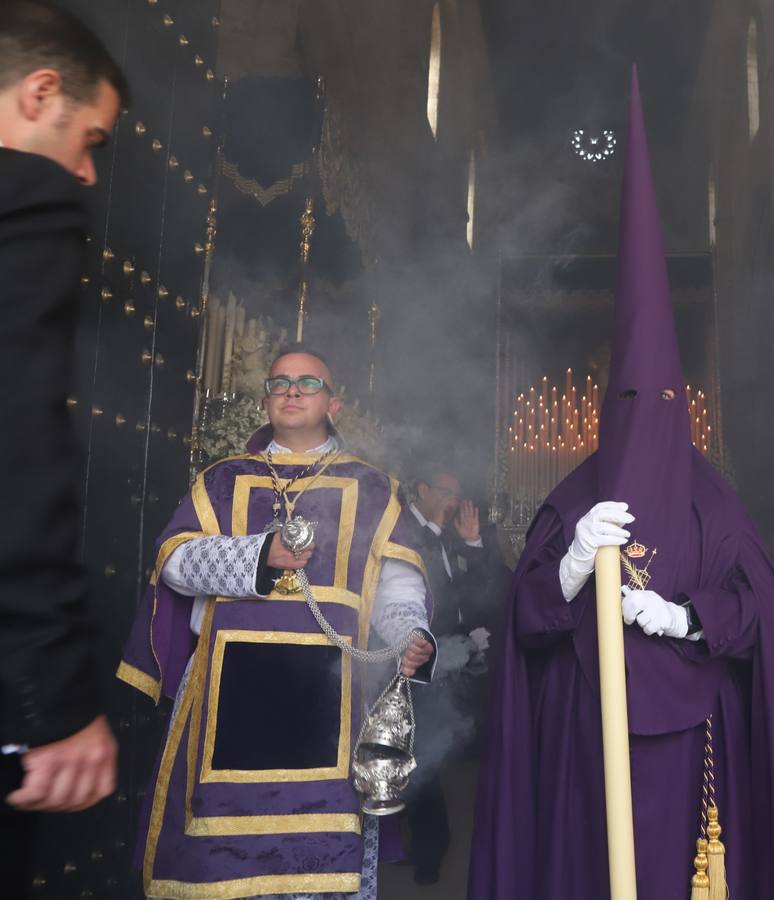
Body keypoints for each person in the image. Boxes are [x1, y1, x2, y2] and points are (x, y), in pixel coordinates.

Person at [468, 69, 774, 900]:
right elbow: (522, 615)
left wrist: (685, 617)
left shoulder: (716, 502)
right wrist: (565, 570)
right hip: (582, 736)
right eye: (628, 401)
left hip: (698, 743)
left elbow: (764, 609)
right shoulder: (569, 498)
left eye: (661, 400)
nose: (646, 416)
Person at [117, 346, 437, 900]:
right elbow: (173, 562)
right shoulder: (222, 480)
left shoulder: (372, 487)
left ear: (333, 402)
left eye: (308, 382)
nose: (292, 390)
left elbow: (396, 584)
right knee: (216, 859)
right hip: (224, 697)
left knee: (320, 855)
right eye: (280, 382)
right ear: (266, 399)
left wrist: (410, 633)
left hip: (328, 700)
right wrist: (256, 557)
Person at [0, 2, 127, 894]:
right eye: (89, 139)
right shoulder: (24, 202)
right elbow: (13, 439)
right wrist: (55, 702)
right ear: (39, 92)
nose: (84, 173)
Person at [401, 468, 503, 884]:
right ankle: (430, 851)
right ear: (422, 489)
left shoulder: (449, 534)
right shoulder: (402, 530)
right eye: (446, 492)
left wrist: (474, 541)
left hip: (456, 655)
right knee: (419, 750)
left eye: (456, 494)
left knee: (443, 743)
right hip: (416, 656)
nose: (452, 502)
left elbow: (487, 586)